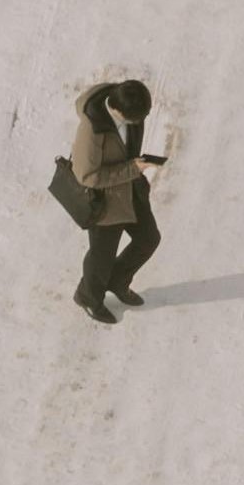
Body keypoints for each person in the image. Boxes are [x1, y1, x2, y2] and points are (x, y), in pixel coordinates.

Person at [69, 78, 165, 324]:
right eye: (136, 120)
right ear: (119, 111)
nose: (140, 123)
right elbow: (86, 176)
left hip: (130, 192)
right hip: (104, 204)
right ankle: (88, 296)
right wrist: (132, 168)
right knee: (101, 257)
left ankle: (118, 281)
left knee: (148, 238)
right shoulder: (91, 130)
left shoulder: (128, 103)